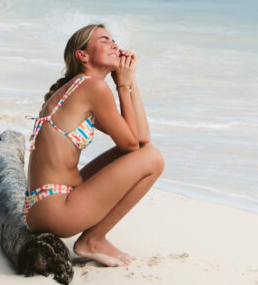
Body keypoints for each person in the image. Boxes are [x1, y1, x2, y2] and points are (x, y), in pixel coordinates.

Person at [24, 22, 163, 266]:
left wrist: (130, 81)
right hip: (58, 211)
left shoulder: (79, 88)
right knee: (153, 159)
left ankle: (94, 239)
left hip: (41, 207)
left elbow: (140, 138)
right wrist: (122, 85)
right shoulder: (93, 87)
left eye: (113, 40)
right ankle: (93, 240)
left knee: (146, 152)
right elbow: (133, 145)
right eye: (104, 40)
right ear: (83, 55)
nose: (114, 44)